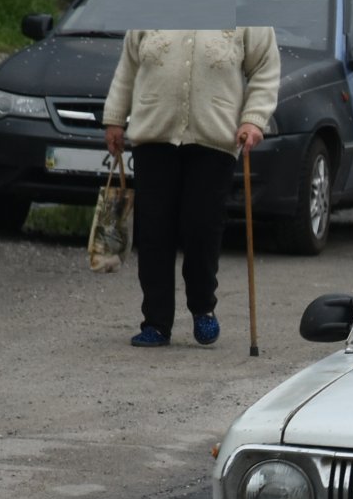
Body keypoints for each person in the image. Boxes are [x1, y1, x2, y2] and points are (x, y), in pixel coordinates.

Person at [103, 28, 281, 347]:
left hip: (215, 137)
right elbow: (128, 67)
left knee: (201, 227)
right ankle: (156, 323)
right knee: (154, 230)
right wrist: (115, 118)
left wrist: (254, 119)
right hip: (153, 134)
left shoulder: (244, 9)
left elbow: (265, 67)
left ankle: (203, 308)